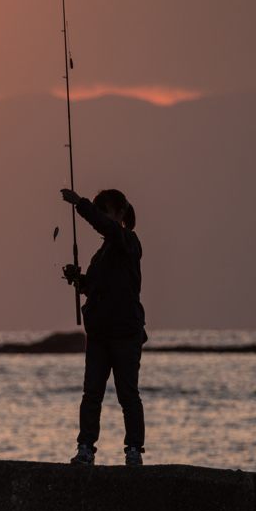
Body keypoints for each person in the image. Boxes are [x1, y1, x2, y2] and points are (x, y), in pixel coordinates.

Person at [60, 187, 145, 466]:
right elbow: (98, 289)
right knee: (92, 395)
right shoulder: (101, 254)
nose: (101, 217)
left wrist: (81, 204)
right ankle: (85, 447)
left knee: (128, 395)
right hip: (98, 334)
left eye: (104, 210)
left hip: (125, 333)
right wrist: (80, 280)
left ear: (120, 214)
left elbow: (105, 226)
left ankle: (133, 449)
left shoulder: (127, 240)